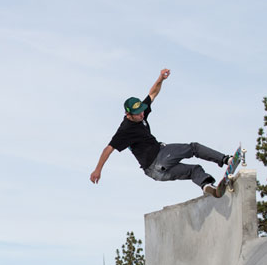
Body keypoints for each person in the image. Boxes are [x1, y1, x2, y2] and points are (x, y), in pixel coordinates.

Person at [90, 68, 231, 196]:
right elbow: (108, 149)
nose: (142, 115)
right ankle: (226, 159)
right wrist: (98, 170)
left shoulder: (141, 111)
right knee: (193, 148)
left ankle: (206, 185)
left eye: (141, 112)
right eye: (137, 114)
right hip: (159, 157)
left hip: (156, 174)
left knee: (194, 170)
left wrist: (160, 79)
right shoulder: (125, 129)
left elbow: (153, 93)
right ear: (128, 115)